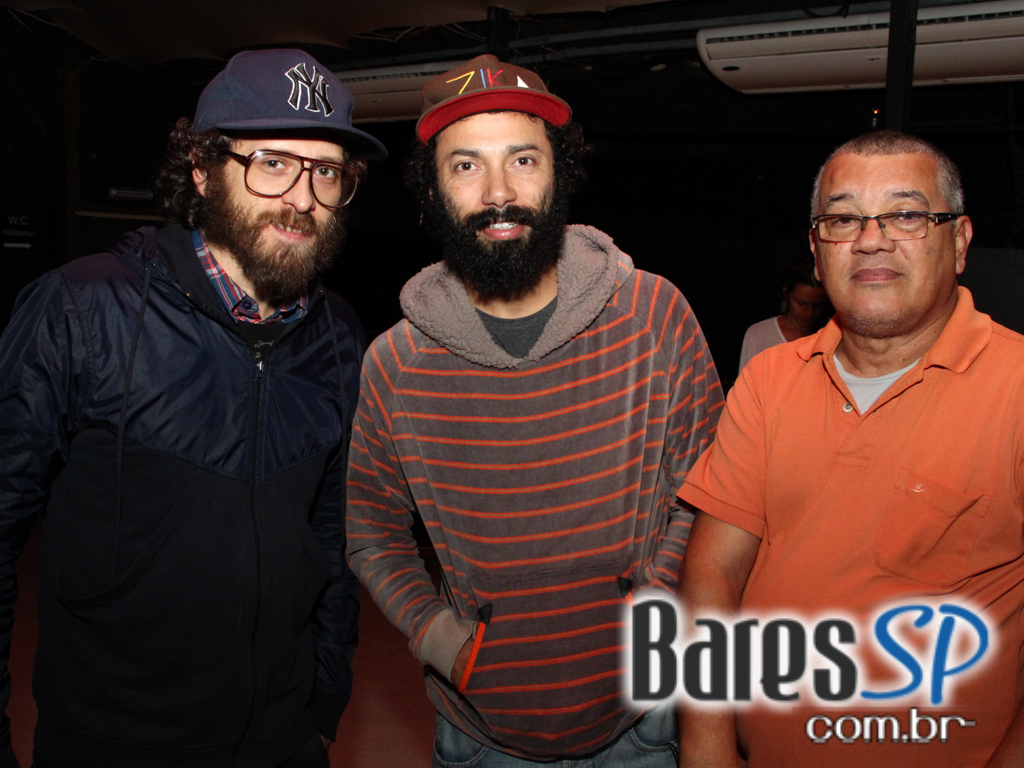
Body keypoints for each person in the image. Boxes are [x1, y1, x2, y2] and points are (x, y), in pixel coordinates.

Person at [0, 48, 386, 767]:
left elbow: (333, 537)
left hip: (283, 739)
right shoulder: (81, 308)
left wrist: (322, 699)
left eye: (326, 171)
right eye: (273, 163)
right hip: (113, 743)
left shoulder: (336, 331)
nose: (302, 198)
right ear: (203, 169)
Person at [345, 54, 722, 766]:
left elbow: (707, 490)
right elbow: (371, 531)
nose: (499, 192)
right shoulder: (395, 364)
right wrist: (443, 642)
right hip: (481, 739)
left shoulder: (654, 315)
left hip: (641, 728)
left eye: (523, 159)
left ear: (560, 173)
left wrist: (651, 607)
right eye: (466, 166)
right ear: (432, 189)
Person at [677, 130, 1024, 768]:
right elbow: (712, 572)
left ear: (960, 242)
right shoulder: (770, 378)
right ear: (817, 252)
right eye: (843, 219)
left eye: (906, 214)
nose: (871, 239)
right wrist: (707, 751)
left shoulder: (1016, 387)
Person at [737, 252, 828, 371]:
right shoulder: (759, 335)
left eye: (817, 306)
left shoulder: (832, 333)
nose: (809, 313)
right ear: (787, 294)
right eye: (801, 304)